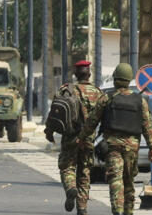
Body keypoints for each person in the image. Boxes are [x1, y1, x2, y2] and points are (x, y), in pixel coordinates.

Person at [45, 60, 110, 215]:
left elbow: (54, 112)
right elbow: (105, 118)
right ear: (89, 73)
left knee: (67, 167)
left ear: (75, 74)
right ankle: (82, 207)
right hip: (88, 140)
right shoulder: (99, 93)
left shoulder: (66, 90)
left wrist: (49, 131)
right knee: (85, 173)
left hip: (69, 138)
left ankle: (70, 188)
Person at [100, 62, 152, 215]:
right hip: (132, 147)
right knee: (129, 182)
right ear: (129, 79)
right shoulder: (140, 101)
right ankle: (128, 211)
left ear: (115, 79)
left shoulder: (107, 98)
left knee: (115, 180)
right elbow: (147, 126)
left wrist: (84, 138)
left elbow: (92, 121)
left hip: (113, 147)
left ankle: (117, 210)